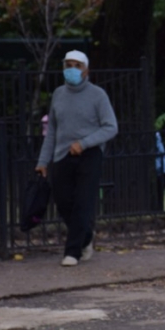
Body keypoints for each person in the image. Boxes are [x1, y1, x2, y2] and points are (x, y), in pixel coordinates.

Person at [35, 50, 118, 267]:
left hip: (89, 154)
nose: (72, 69)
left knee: (83, 201)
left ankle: (72, 252)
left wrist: (85, 143)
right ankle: (86, 236)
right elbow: (52, 130)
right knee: (63, 201)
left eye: (77, 65)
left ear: (86, 70)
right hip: (62, 154)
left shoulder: (97, 95)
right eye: (68, 65)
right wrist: (43, 161)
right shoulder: (58, 94)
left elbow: (110, 127)